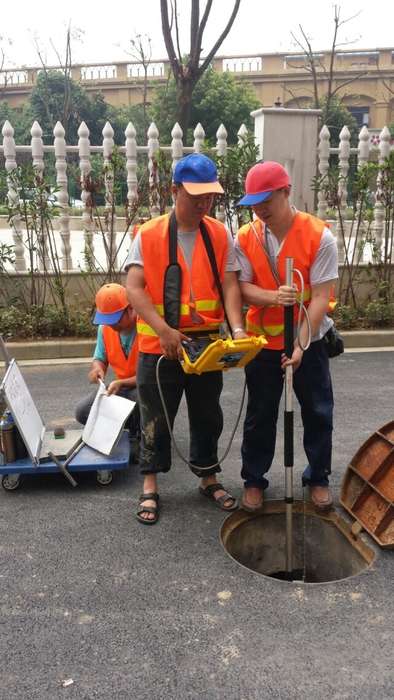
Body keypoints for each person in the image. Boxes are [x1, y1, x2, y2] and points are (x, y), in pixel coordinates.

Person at [125, 153, 248, 525]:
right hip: (160, 345)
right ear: (174, 190)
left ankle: (208, 476)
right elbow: (133, 288)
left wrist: (237, 328)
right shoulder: (148, 235)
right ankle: (150, 483)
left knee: (207, 413)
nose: (203, 203)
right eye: (196, 195)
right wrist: (163, 329)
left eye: (209, 196)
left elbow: (229, 284)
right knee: (156, 417)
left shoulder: (219, 233)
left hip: (206, 343)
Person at [235, 161, 338, 512]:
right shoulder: (246, 237)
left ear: (286, 192)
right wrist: (273, 297)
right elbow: (243, 289)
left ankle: (318, 477)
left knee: (317, 410)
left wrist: (300, 346)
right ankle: (253, 479)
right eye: (254, 202)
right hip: (263, 344)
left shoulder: (319, 235)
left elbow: (321, 297)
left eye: (267, 200)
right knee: (260, 413)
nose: (260, 209)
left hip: (309, 339)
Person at [75, 283, 140, 453]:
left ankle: (142, 435)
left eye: (116, 319)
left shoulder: (146, 327)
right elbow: (100, 358)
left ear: (131, 308)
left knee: (143, 401)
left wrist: (121, 383)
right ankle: (127, 428)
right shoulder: (105, 329)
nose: (112, 325)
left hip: (145, 387)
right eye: (108, 320)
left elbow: (150, 375)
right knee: (82, 411)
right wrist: (97, 369)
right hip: (120, 387)